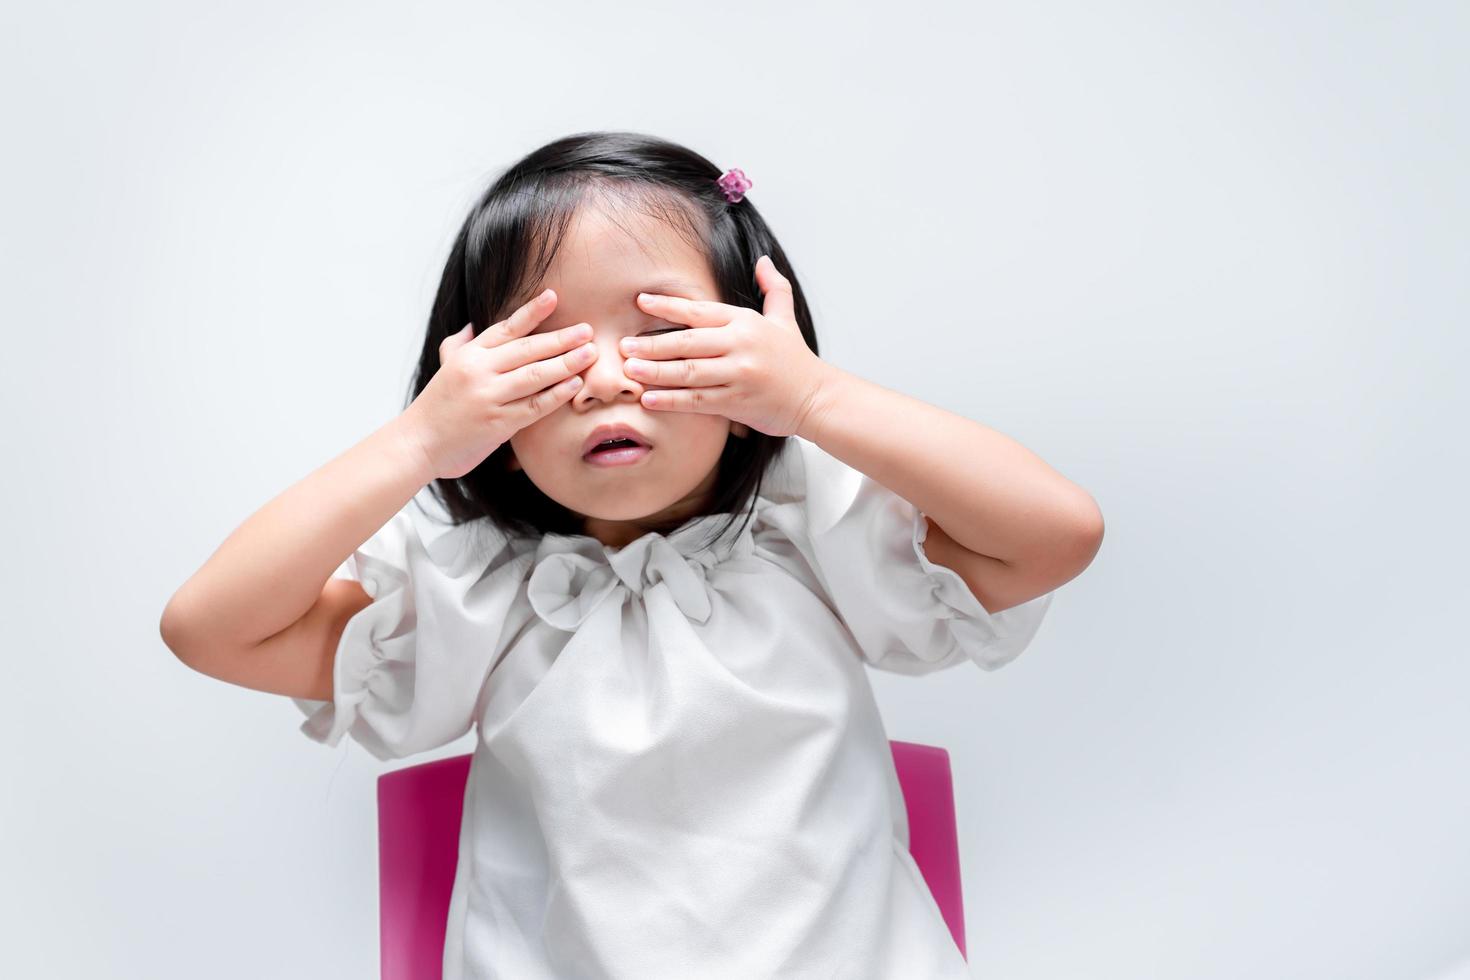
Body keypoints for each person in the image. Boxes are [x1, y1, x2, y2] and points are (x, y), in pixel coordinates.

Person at [160, 130, 1104, 979]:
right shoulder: (476, 586)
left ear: (755, 370)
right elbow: (210, 631)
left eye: (662, 337)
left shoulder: (811, 529)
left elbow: (1057, 533)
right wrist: (414, 446)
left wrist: (815, 399)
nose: (604, 379)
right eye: (550, 352)